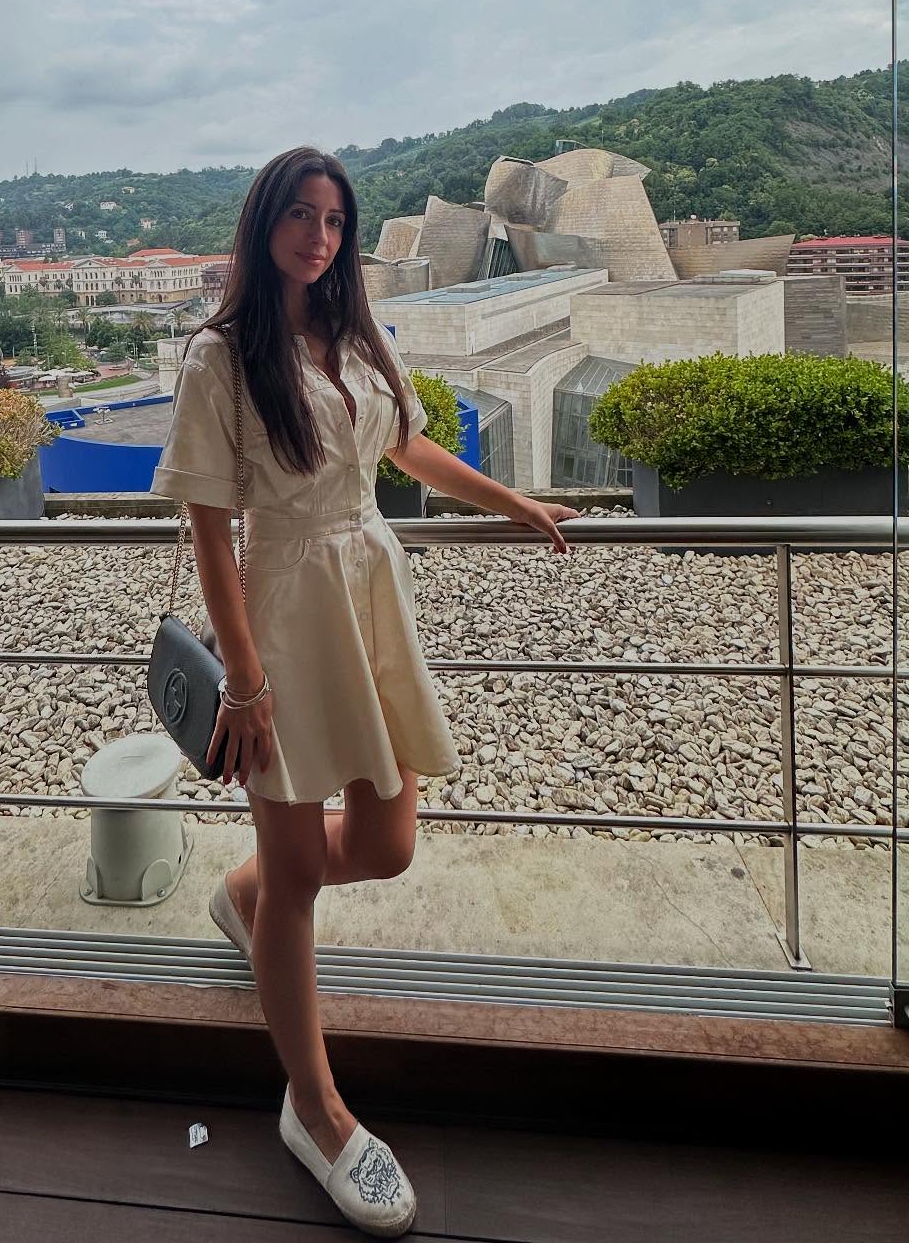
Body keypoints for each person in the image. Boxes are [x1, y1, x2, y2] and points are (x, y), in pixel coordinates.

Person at [150, 145, 578, 1237]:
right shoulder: (218, 358)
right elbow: (210, 533)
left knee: (387, 843)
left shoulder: (356, 334)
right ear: (265, 225)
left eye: (335, 219)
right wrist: (244, 683)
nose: (320, 236)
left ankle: (243, 894)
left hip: (372, 591)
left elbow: (410, 451)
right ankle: (317, 1110)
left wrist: (516, 503)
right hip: (284, 610)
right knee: (300, 874)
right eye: (301, 215)